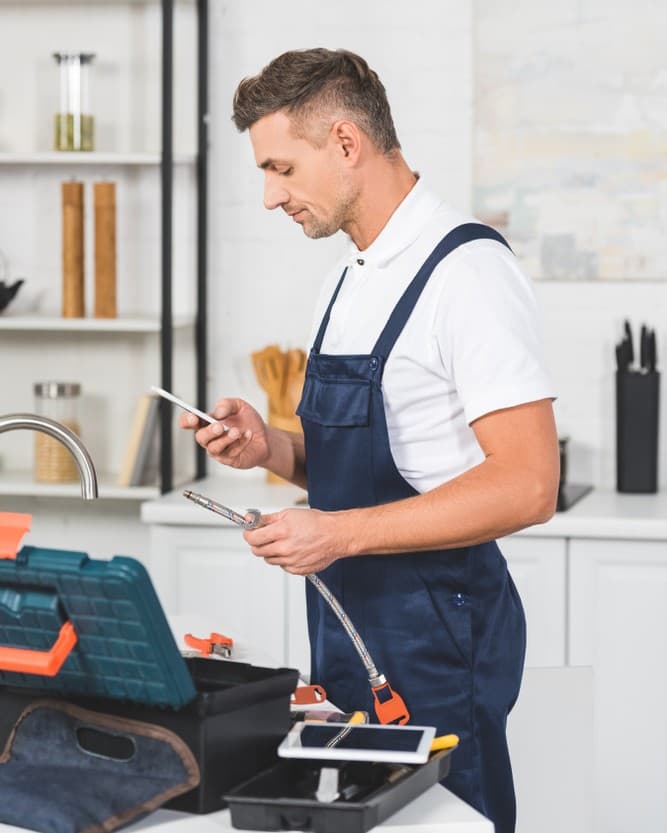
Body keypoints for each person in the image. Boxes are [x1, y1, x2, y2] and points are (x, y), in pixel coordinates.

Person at [180, 48, 559, 833]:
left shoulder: (468, 272)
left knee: (452, 820)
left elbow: (528, 483)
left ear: (346, 143)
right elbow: (368, 458)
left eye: (281, 168)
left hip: (437, 625)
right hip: (350, 621)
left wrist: (338, 534)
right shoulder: (348, 276)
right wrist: (270, 450)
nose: (268, 196)